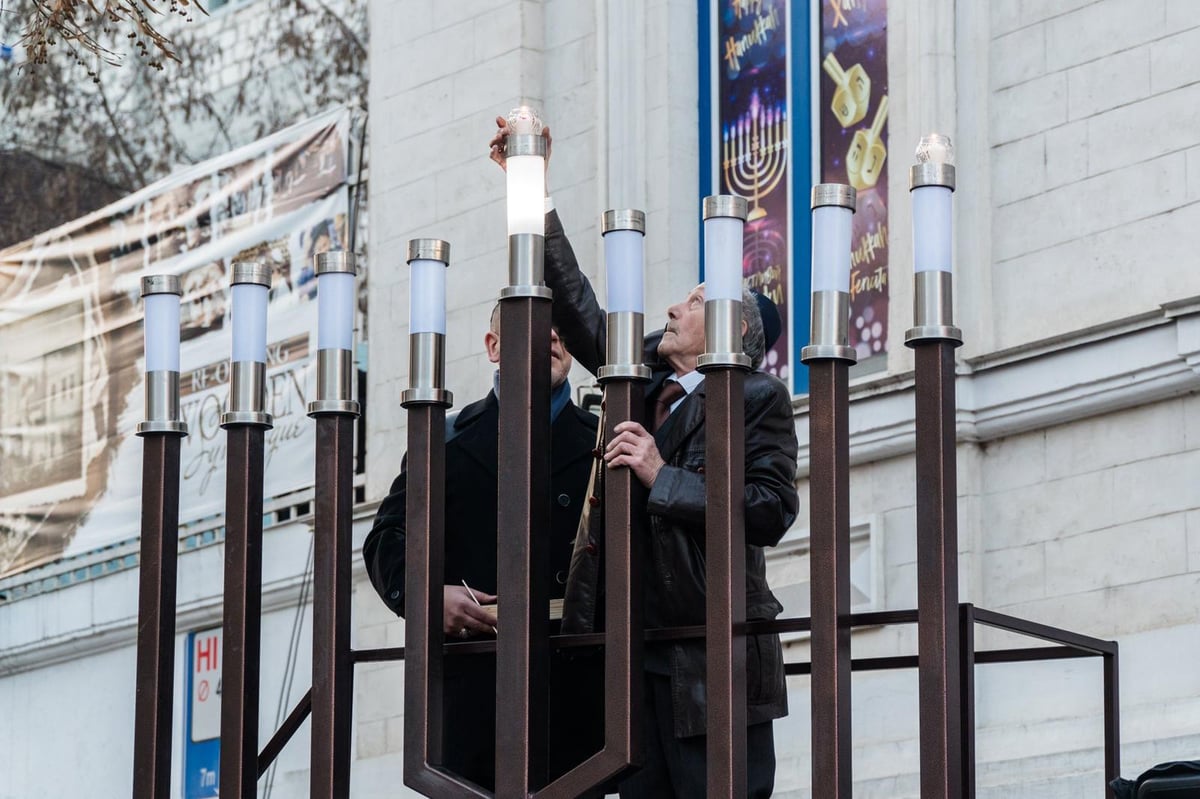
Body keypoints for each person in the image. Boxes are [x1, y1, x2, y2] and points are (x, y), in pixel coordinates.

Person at [489, 118, 800, 798]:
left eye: (692, 300)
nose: (671, 306)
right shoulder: (639, 385)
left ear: (732, 328)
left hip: (712, 656)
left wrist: (665, 478)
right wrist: (532, 190)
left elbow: (772, 508)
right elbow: (579, 310)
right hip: (630, 653)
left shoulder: (758, 398)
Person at [363, 303, 603, 791]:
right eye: (534, 326)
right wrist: (428, 597)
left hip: (580, 694)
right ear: (494, 347)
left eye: (560, 330)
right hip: (476, 694)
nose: (552, 338)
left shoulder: (605, 437)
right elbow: (386, 539)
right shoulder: (446, 438)